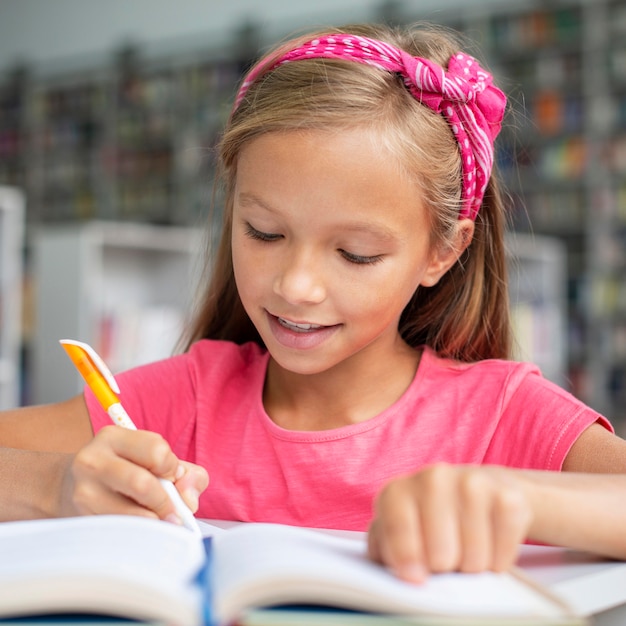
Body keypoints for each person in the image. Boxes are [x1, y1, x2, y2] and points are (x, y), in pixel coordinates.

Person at [2, 21, 626, 585]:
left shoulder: (501, 414)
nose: (296, 286)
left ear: (442, 251)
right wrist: (56, 486)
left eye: (355, 254)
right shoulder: (185, 402)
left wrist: (513, 495)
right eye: (264, 233)